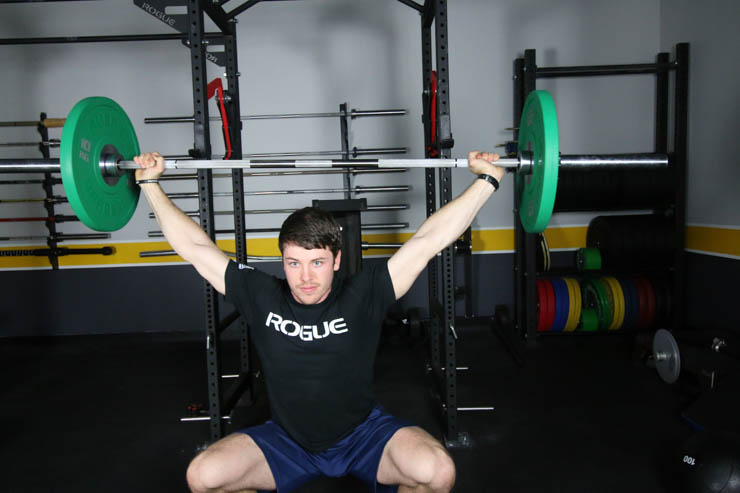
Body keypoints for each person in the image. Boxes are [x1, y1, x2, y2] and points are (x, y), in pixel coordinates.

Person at [133, 150, 504, 493]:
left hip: (363, 435)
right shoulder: (259, 294)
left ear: (336, 260)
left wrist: (487, 180)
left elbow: (428, 239)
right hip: (287, 441)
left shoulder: (366, 293)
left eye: (317, 262)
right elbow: (196, 248)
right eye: (294, 263)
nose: (306, 276)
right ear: (282, 261)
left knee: (438, 471)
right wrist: (150, 183)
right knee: (202, 476)